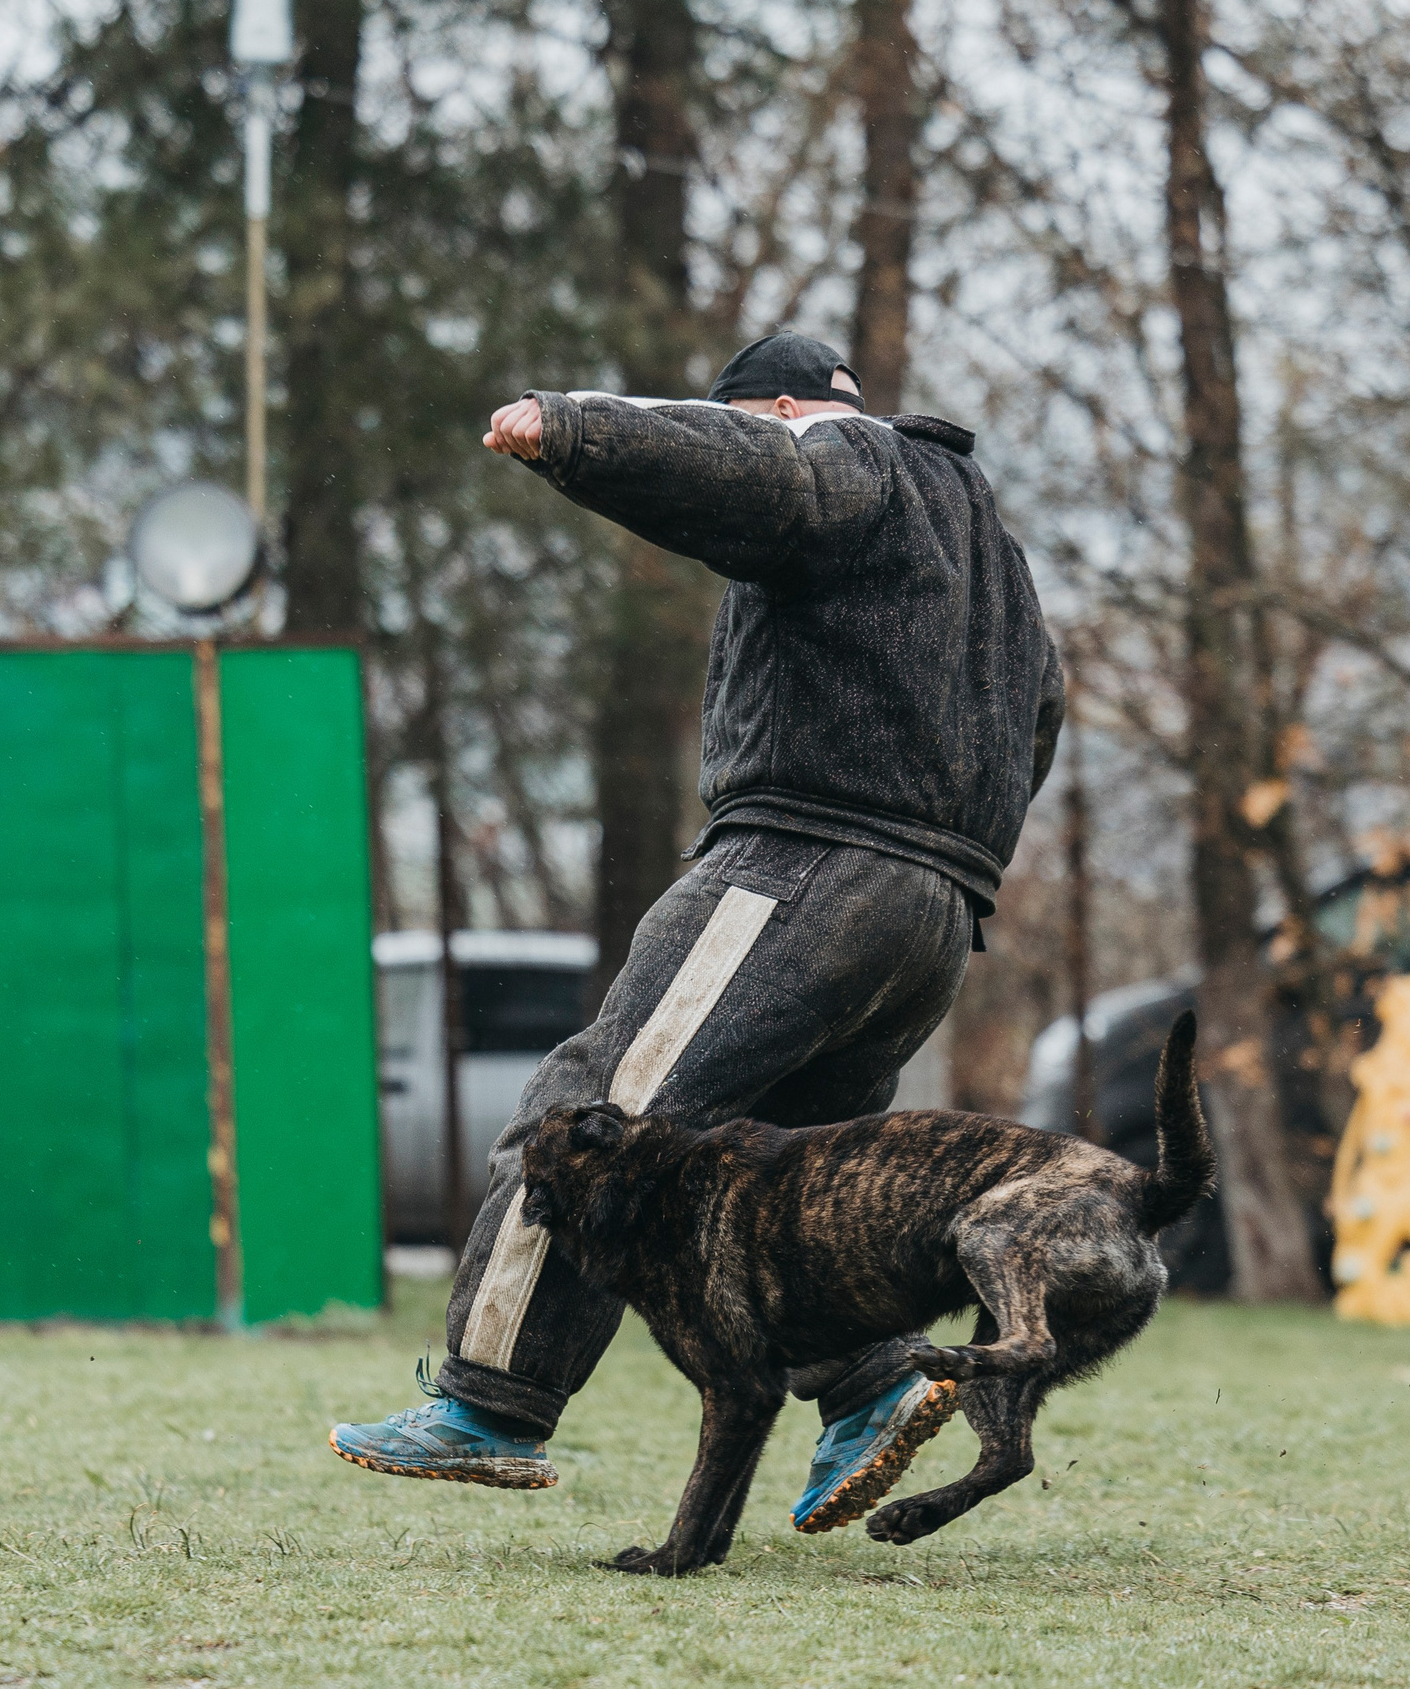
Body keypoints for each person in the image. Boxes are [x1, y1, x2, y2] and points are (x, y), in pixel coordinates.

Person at [330, 331, 1065, 1537]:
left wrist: (576, 428)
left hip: (801, 866)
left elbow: (754, 473)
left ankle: (488, 1402)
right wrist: (950, 856)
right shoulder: (991, 553)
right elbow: (1038, 711)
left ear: (779, 409)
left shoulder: (842, 456)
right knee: (788, 1174)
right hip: (932, 911)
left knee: (592, 1113)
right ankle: (872, 1389)